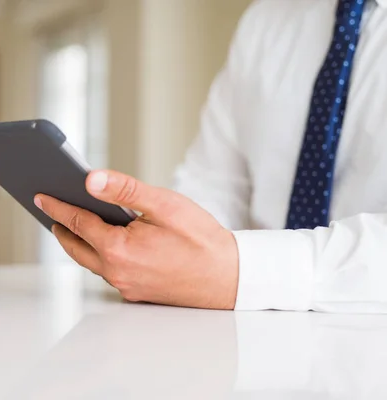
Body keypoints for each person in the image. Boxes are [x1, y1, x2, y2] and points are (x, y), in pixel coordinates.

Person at [34, 0, 387, 313]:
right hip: (254, 340)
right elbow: (214, 182)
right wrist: (168, 254)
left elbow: (233, 269)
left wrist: (239, 270)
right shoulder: (266, 20)